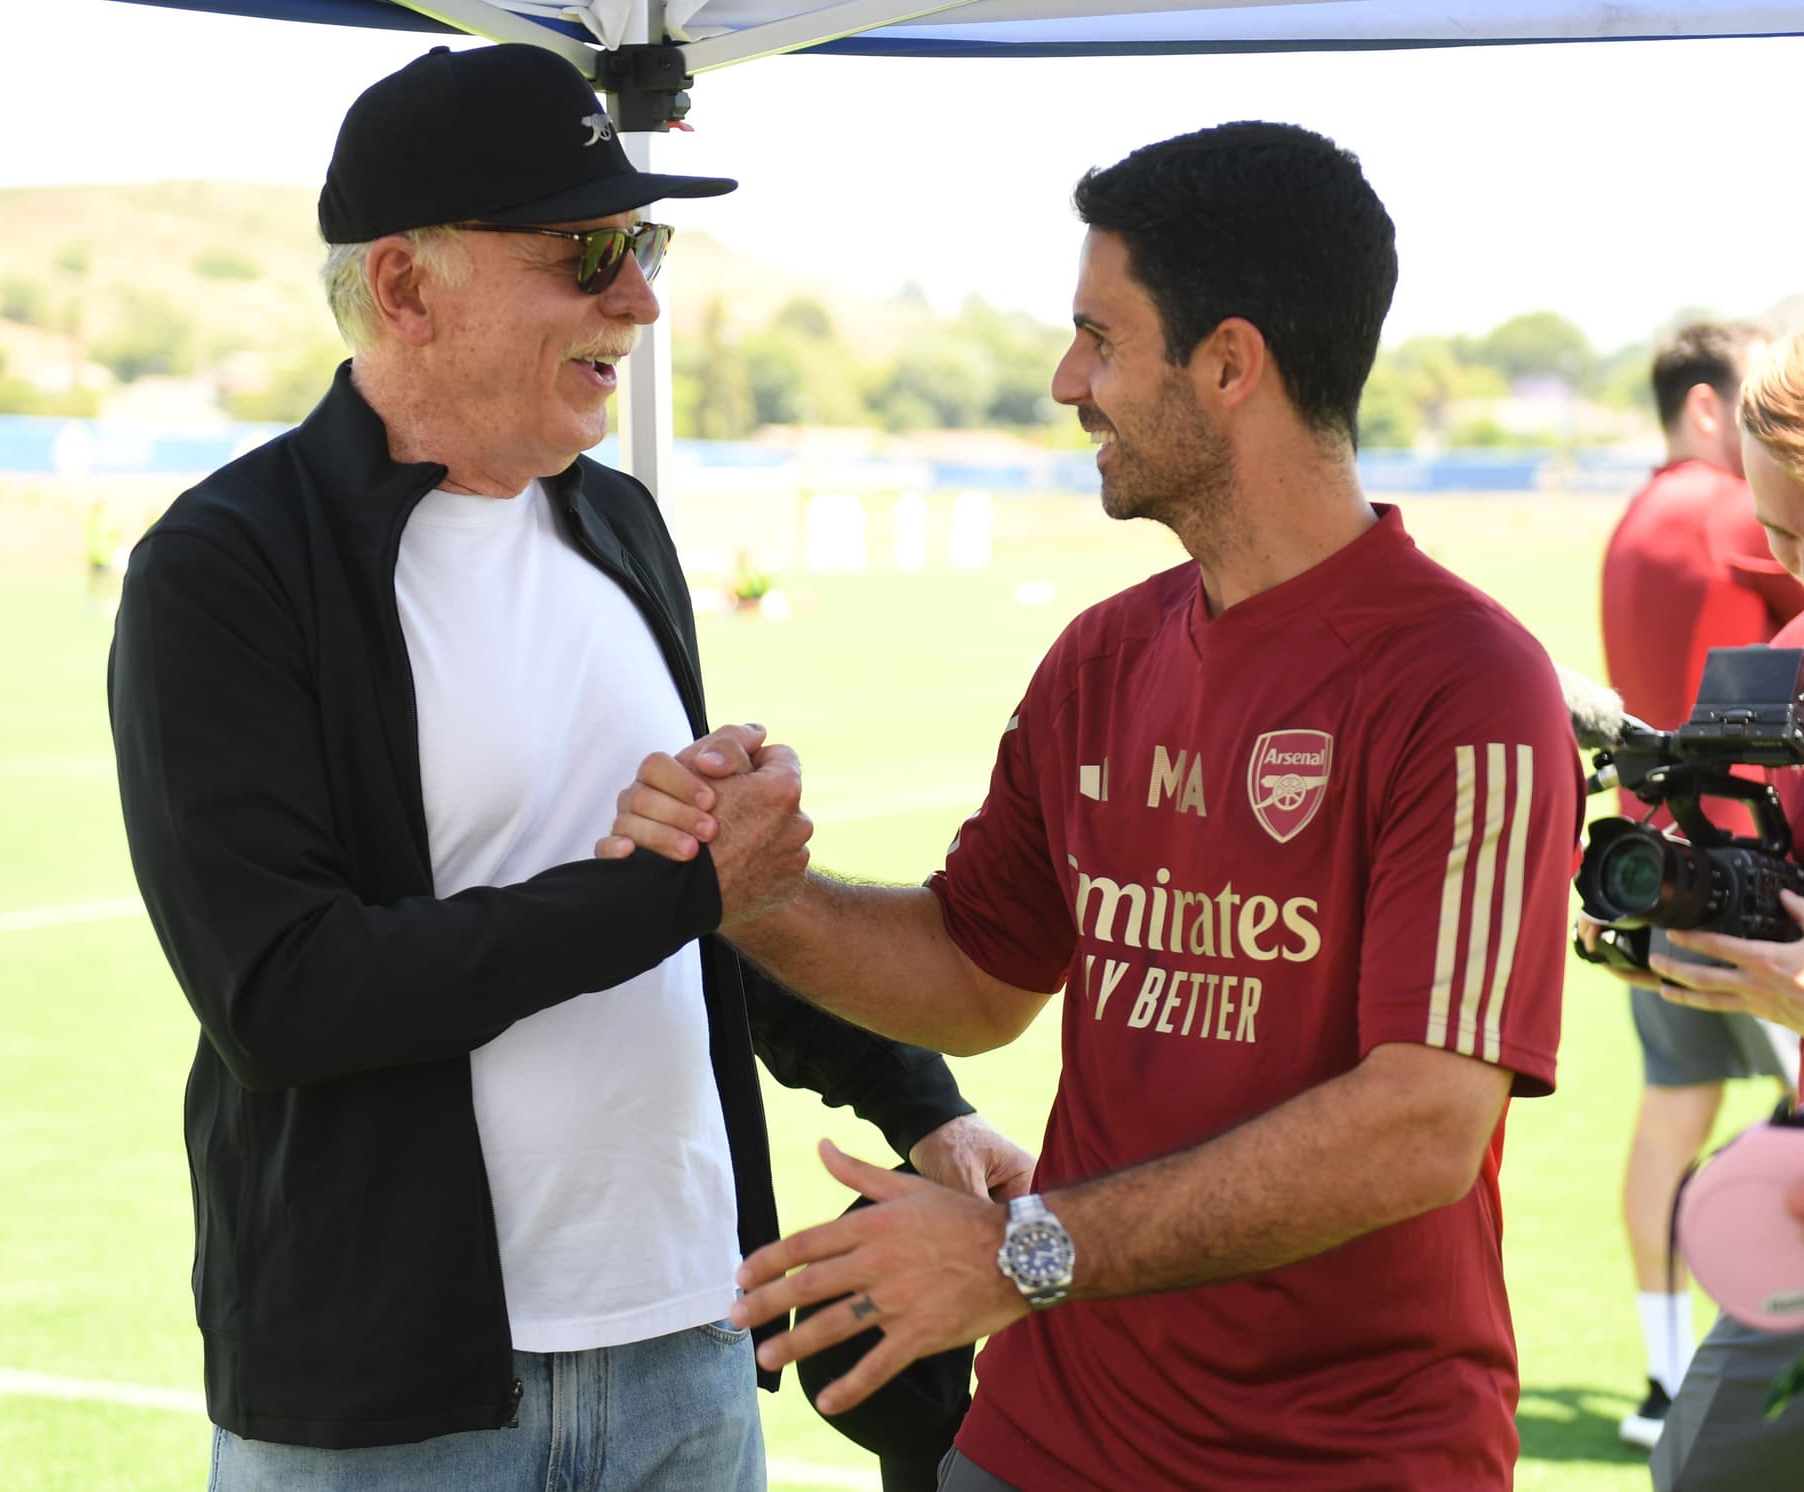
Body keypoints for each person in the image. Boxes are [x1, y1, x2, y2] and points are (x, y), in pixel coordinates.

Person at [601, 122, 1583, 1489]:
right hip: (1044, 1442)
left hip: (1345, 1460)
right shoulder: (1106, 656)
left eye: (1100, 339)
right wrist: (752, 892)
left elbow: (1422, 1122)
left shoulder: (1466, 685)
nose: (1068, 382)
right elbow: (974, 972)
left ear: (1231, 363)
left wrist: (1026, 1252)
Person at [107, 43, 1029, 1492]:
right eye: (587, 250)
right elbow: (282, 994)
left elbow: (709, 914)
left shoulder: (621, 528)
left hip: (687, 1345)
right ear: (406, 286)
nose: (641, 298)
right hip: (393, 1402)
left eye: (642, 241)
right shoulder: (228, 569)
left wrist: (921, 1103)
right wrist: (672, 893)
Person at [1594, 320, 1803, 1450]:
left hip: (1679, 859)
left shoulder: (1634, 518)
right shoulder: (1744, 542)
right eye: (1778, 531)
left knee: (1668, 1126)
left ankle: (1659, 1369)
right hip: (1744, 888)